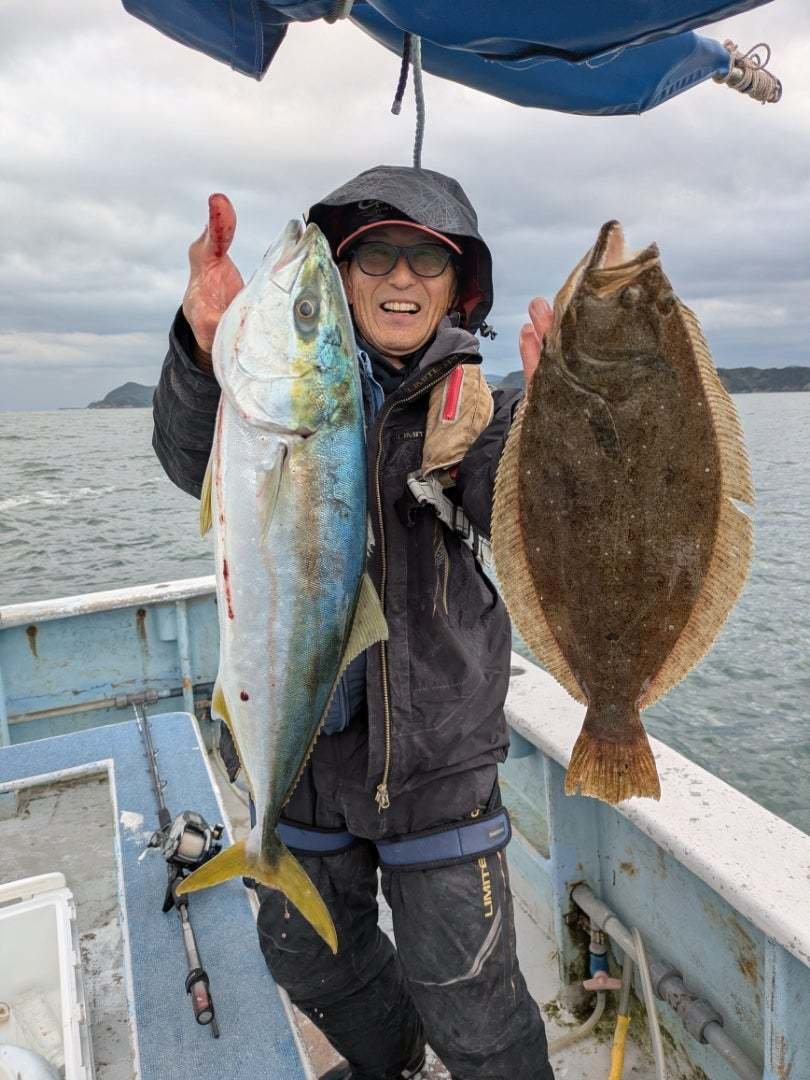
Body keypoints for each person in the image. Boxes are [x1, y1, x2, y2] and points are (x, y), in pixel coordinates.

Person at [152, 165, 555, 1080]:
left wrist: (560, 433)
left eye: (427, 259)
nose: (402, 277)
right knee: (308, 960)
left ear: (459, 288)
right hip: (306, 767)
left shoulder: (479, 410)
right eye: (376, 256)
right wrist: (201, 351)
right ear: (343, 278)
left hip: (436, 767)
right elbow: (187, 456)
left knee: (474, 1007)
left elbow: (522, 513)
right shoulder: (264, 403)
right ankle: (398, 1063)